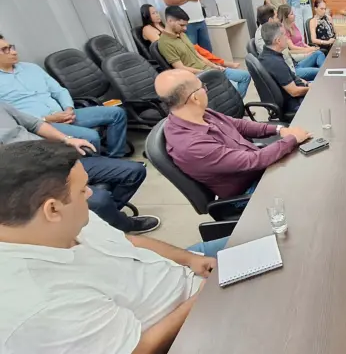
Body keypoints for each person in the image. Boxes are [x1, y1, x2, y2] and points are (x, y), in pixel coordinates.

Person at [0, 141, 230, 354]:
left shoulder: (61, 220)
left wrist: (190, 258)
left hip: (187, 272)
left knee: (252, 237)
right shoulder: (43, 304)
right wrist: (201, 299)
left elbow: (125, 241)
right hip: (191, 321)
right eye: (83, 189)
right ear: (52, 210)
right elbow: (138, 349)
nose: (90, 193)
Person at [0, 103, 158, 234]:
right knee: (100, 200)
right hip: (32, 176)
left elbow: (35, 124)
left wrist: (67, 139)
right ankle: (123, 225)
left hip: (56, 158)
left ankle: (104, 220)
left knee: (134, 172)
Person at [156, 69, 310, 200]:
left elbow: (238, 124)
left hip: (257, 168)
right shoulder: (192, 145)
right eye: (203, 86)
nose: (206, 89)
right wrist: (292, 139)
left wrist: (279, 130)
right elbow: (253, 161)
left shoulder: (197, 113)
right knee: (308, 187)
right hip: (248, 192)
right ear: (195, 98)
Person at [0, 35, 128, 158]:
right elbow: (7, 117)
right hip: (41, 125)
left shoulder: (31, 68)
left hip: (64, 114)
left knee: (117, 113)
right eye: (5, 49)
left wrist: (68, 109)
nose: (13, 52)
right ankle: (97, 167)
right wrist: (45, 119)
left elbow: (59, 91)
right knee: (91, 137)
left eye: (11, 47)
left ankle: (114, 158)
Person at [158, 6, 251, 98]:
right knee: (233, 89)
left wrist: (214, 66)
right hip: (199, 75)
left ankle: (234, 103)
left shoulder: (181, 34)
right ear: (170, 21)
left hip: (208, 69)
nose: (185, 28)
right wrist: (205, 72)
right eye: (181, 25)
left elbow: (197, 54)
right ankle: (233, 102)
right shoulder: (165, 43)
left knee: (245, 76)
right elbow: (181, 68)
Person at [140, 4, 238, 68]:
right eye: (153, 13)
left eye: (157, 12)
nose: (157, 15)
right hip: (170, 51)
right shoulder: (147, 28)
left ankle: (219, 63)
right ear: (146, 15)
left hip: (177, 45)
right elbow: (161, 42)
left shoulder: (162, 25)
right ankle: (222, 63)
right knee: (196, 49)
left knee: (198, 49)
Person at [259, 23, 311, 115]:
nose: (287, 38)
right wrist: (311, 89)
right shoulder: (276, 63)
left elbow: (291, 77)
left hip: (297, 92)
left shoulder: (266, 55)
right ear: (278, 41)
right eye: (284, 35)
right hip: (294, 103)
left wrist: (307, 83)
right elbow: (294, 92)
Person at [277, 4, 325, 81]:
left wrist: (310, 48)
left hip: (297, 64)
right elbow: (292, 50)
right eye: (292, 14)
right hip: (296, 62)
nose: (294, 15)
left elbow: (301, 42)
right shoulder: (282, 32)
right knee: (322, 71)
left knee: (319, 53)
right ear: (285, 17)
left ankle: (322, 75)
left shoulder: (293, 25)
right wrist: (307, 51)